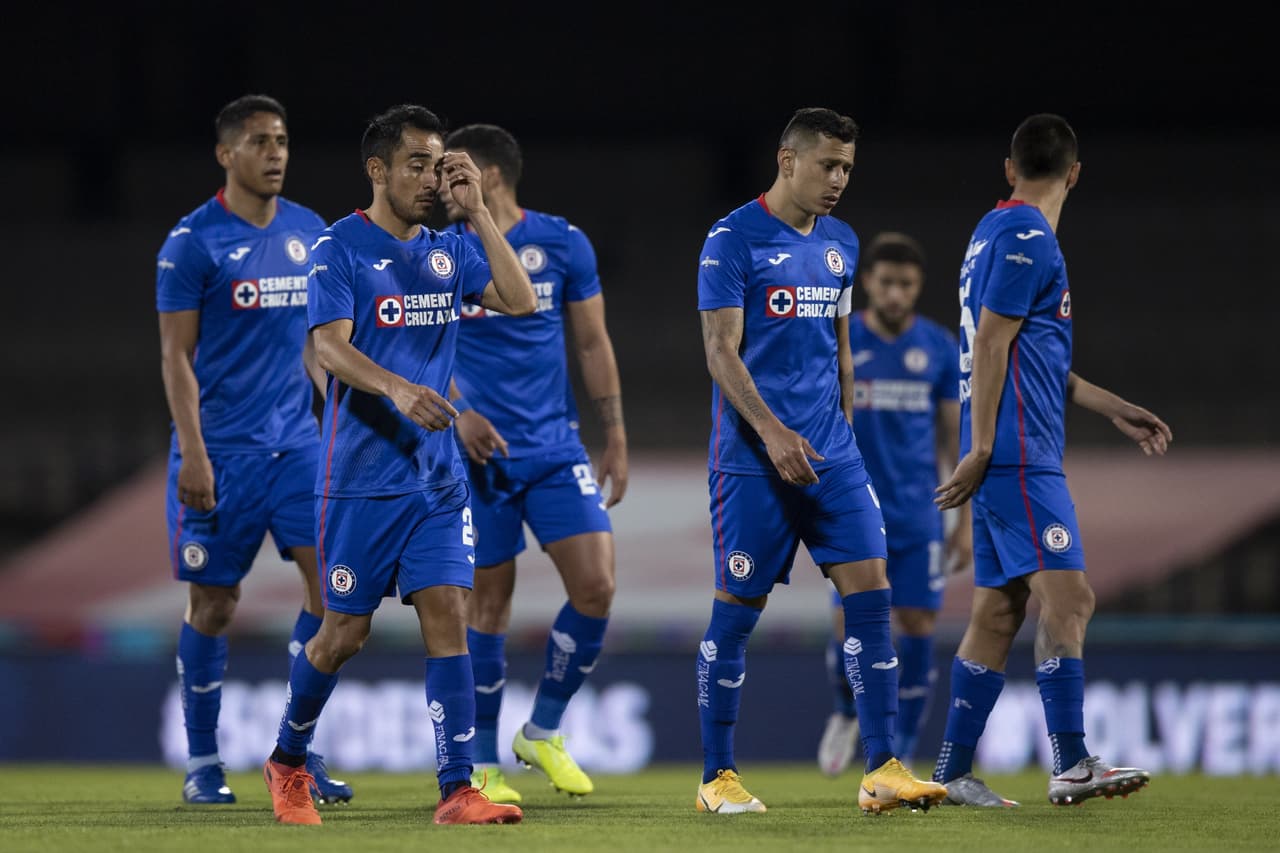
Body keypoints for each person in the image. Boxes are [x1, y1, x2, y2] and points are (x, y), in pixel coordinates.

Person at [259, 104, 536, 826]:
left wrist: (478, 213)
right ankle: (288, 760)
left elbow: (521, 296)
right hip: (360, 480)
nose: (431, 177)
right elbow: (328, 347)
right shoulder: (338, 247)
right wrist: (398, 387)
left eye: (439, 163)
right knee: (341, 634)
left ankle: (457, 788)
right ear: (377, 170)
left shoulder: (449, 246)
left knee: (450, 614)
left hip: (437, 481)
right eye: (416, 163)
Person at [693, 107, 948, 816]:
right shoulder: (731, 239)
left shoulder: (840, 242)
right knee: (736, 615)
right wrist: (773, 433)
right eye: (828, 166)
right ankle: (717, 775)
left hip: (833, 455)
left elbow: (841, 350)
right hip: (752, 462)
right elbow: (720, 352)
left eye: (847, 169)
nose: (838, 180)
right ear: (787, 160)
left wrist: (847, 438)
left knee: (872, 597)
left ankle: (883, 766)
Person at [930, 113, 1172, 807]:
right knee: (1072, 599)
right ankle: (1070, 760)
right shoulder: (1029, 237)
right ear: (1074, 173)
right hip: (1017, 454)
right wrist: (981, 447)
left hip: (1010, 449)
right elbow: (990, 347)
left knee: (999, 612)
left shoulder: (990, 232)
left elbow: (1035, 357)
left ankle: (949, 771)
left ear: (1010, 168)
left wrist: (1109, 404)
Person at [156, 93, 351, 807]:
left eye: (283, 140)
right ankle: (204, 763)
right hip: (223, 453)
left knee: (330, 594)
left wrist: (338, 419)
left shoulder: (311, 233)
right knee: (213, 603)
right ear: (226, 153)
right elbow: (176, 358)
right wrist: (195, 452)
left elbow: (319, 343)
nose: (276, 152)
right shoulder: (192, 243)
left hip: (298, 448)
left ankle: (296, 755)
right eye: (261, 141)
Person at [438, 123, 627, 803]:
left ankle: (541, 729)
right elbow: (418, 346)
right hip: (478, 454)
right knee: (488, 604)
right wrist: (458, 409)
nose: (438, 184)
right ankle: (485, 760)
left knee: (598, 586)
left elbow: (594, 340)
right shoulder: (443, 251)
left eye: (451, 170)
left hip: (553, 448)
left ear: (488, 176)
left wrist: (615, 432)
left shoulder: (563, 241)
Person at [817, 232, 972, 779]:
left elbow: (955, 444)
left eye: (905, 284)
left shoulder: (937, 347)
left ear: (919, 286)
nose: (895, 293)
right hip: (854, 508)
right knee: (849, 627)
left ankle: (901, 751)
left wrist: (963, 523)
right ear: (867, 283)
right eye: (885, 282)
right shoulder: (840, 337)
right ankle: (843, 711)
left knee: (917, 622)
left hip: (918, 513)